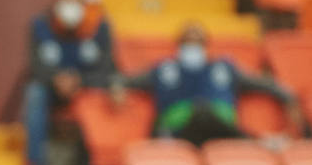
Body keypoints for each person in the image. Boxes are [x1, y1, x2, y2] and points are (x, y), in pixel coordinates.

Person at [113, 21, 302, 147]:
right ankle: (252, 142)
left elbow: (262, 84)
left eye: (197, 41)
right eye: (188, 41)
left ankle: (252, 143)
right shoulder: (164, 68)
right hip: (179, 126)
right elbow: (124, 80)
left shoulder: (224, 68)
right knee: (199, 113)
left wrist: (288, 96)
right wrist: (117, 88)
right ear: (179, 44)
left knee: (206, 114)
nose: (192, 46)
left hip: (219, 123)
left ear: (206, 44)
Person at [23, 0, 115, 165]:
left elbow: (107, 67)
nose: (70, 3)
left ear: (83, 1)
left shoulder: (99, 27)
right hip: (52, 87)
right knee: (34, 93)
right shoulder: (40, 25)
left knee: (105, 95)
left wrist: (79, 80)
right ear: (56, 1)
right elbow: (35, 66)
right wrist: (57, 79)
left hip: (86, 85)